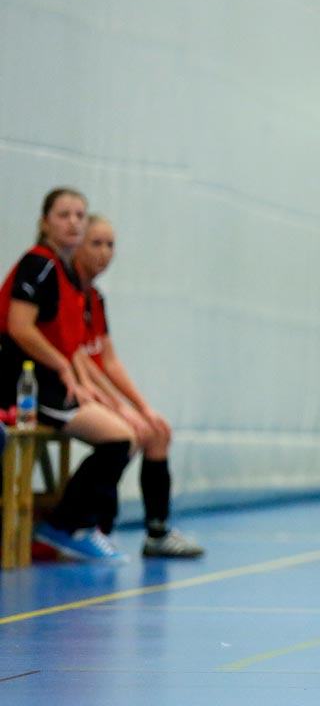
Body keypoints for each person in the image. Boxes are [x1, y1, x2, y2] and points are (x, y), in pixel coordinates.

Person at [0, 188, 132, 561]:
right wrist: (62, 369)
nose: (73, 222)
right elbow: (20, 327)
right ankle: (68, 526)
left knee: (126, 432)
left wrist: (89, 385)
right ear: (44, 223)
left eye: (79, 214)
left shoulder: (68, 276)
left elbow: (71, 345)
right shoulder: (38, 264)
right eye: (64, 215)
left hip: (51, 382)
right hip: (23, 382)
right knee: (118, 438)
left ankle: (84, 525)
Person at [70, 214, 204, 557]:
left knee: (157, 429)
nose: (104, 253)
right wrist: (120, 408)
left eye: (110, 245)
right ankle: (87, 521)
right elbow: (74, 356)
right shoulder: (66, 292)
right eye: (96, 243)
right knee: (130, 433)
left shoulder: (94, 299)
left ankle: (157, 532)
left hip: (90, 386)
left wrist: (142, 407)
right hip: (66, 388)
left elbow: (108, 361)